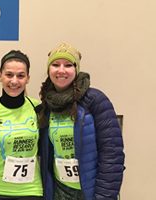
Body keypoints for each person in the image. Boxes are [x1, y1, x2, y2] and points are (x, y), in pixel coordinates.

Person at [36, 43, 125, 200]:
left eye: (68, 65)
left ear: (76, 69)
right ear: (49, 69)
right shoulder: (46, 105)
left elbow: (112, 155)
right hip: (58, 191)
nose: (61, 70)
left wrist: (104, 196)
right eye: (55, 65)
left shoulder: (96, 100)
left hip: (89, 193)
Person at [0, 50, 43, 200]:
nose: (14, 81)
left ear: (28, 78)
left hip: (30, 191)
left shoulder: (38, 108)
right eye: (9, 75)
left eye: (20, 76)